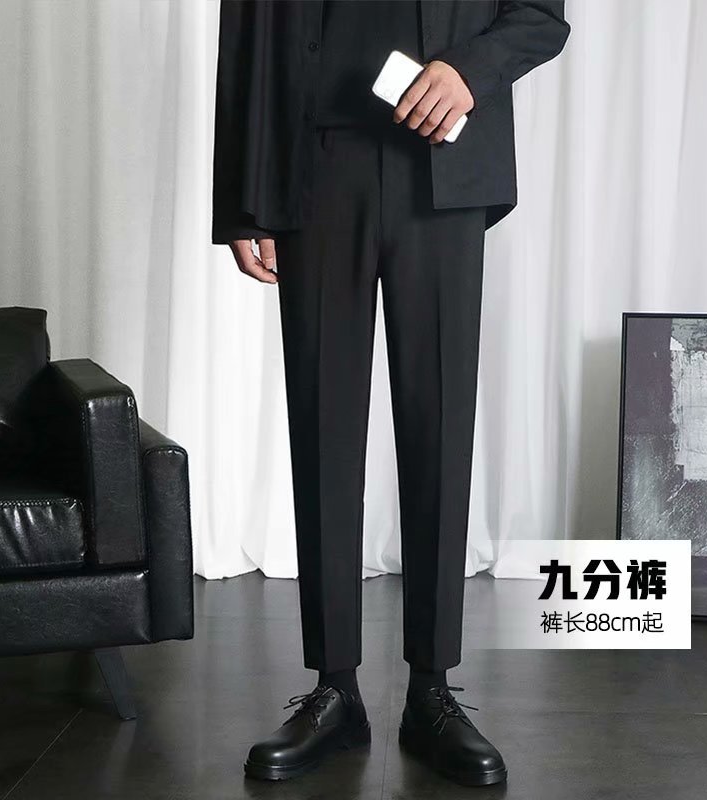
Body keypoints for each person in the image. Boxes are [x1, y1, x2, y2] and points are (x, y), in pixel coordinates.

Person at [212, 0, 570, 786]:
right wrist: (240, 194)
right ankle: (333, 689)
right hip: (313, 158)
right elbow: (247, 27)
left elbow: (542, 13)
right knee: (323, 428)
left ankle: (432, 690)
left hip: (439, 159)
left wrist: (469, 71)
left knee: (439, 426)